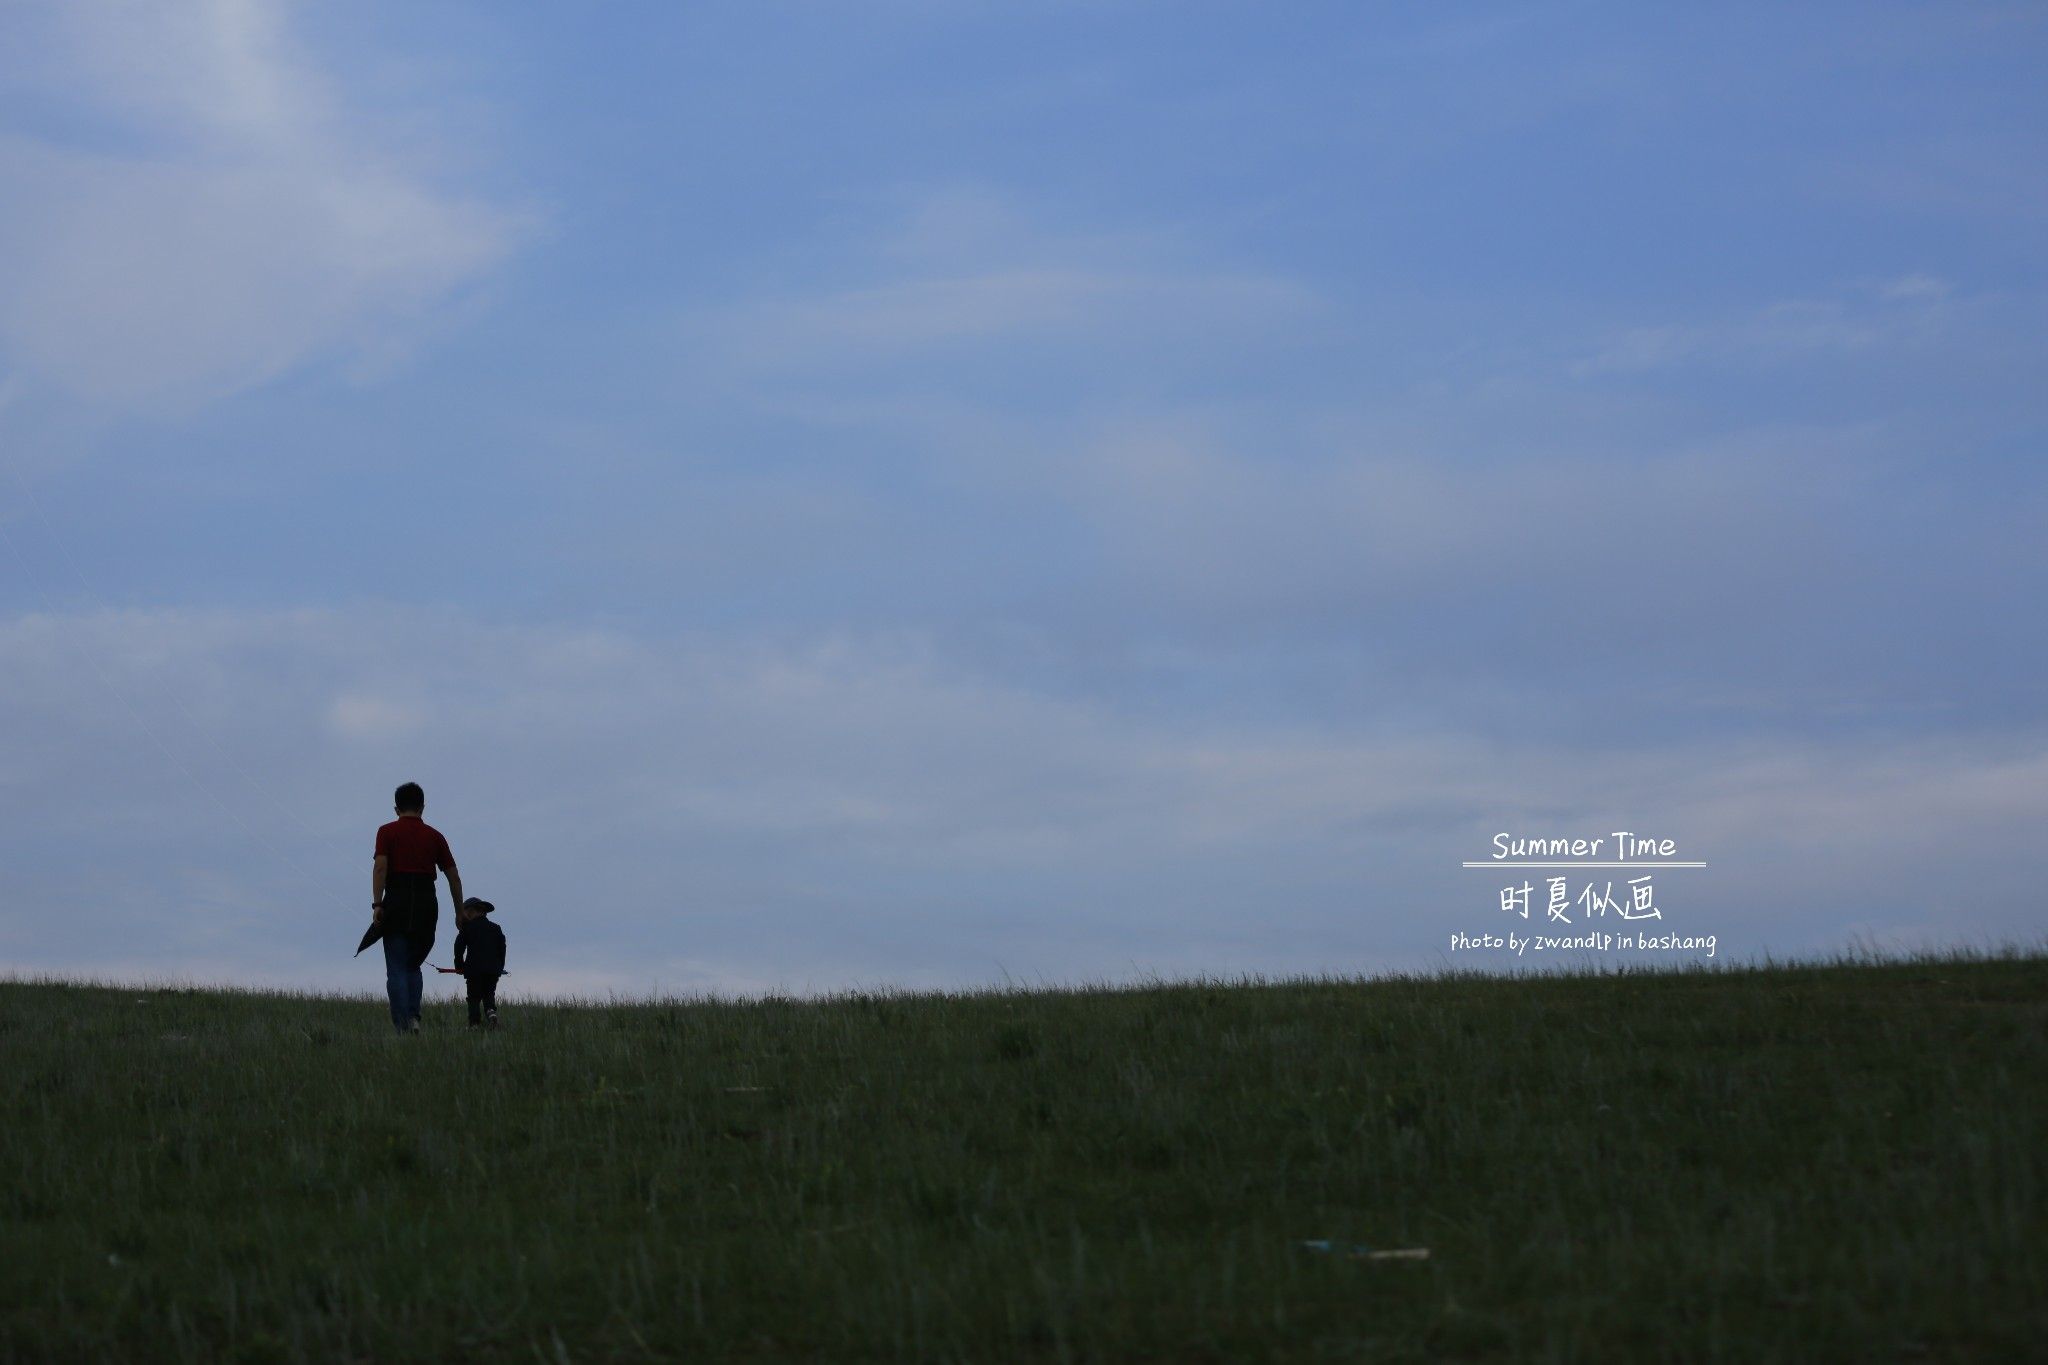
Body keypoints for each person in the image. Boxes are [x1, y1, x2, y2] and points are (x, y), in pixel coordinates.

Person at [371, 782, 462, 1034]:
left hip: (397, 900)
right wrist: (459, 912)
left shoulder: (386, 832)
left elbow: (380, 867)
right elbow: (454, 876)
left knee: (397, 968)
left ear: (396, 808)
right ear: (422, 807)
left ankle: (402, 1027)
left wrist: (378, 903)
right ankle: (414, 1018)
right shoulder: (435, 836)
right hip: (426, 903)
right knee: (413, 965)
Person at [453, 897, 507, 1030]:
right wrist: (500, 967)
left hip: (474, 969)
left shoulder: (468, 928)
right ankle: (491, 1012)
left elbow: (458, 947)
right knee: (489, 993)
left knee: (474, 997)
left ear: (471, 911)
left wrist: (459, 966)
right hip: (492, 969)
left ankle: (474, 1024)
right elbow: (502, 949)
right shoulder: (496, 928)